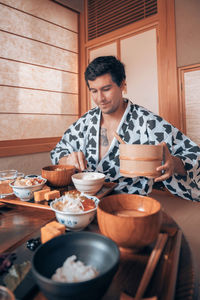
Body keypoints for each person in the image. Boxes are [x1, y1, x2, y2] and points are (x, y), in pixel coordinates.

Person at [51, 56, 200, 201]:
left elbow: (195, 156)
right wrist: (67, 160)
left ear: (122, 85)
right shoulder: (85, 122)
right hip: (84, 202)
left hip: (129, 205)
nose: (100, 98)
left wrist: (173, 163)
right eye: (94, 91)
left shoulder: (147, 122)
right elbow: (58, 153)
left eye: (106, 89)